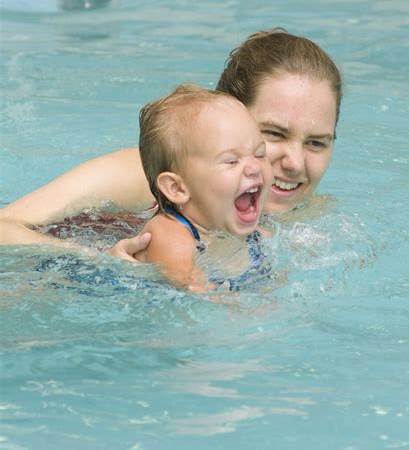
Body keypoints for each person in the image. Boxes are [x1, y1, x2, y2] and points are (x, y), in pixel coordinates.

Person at [0, 29, 342, 256]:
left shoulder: (307, 215)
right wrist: (98, 259)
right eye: (274, 134)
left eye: (316, 143)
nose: (295, 163)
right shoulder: (146, 176)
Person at [133, 83, 272, 291]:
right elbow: (195, 291)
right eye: (231, 161)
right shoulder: (169, 236)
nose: (254, 167)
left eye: (260, 154)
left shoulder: (259, 237)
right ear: (177, 188)